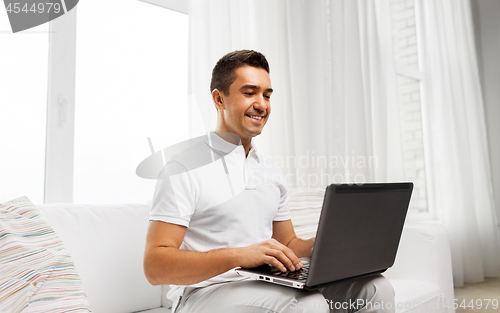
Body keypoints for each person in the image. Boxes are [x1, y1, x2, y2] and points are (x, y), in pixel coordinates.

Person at [144, 50, 395, 313]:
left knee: (375, 289)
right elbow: (155, 266)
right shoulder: (182, 168)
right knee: (307, 304)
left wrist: (328, 243)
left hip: (264, 283)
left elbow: (287, 243)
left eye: (266, 94)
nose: (262, 104)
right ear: (219, 99)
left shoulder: (270, 170)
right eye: (249, 92)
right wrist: (239, 255)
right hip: (205, 293)